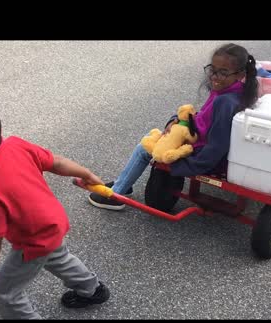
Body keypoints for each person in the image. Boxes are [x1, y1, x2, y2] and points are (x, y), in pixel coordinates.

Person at [0, 98, 110, 319]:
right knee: (57, 256)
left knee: (6, 291)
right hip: (52, 222)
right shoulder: (15, 145)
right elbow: (55, 162)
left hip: (33, 239)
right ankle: (93, 289)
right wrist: (85, 173)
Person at [89, 43, 259, 210]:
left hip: (202, 155)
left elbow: (217, 144)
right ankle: (123, 184)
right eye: (213, 70)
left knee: (144, 148)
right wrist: (176, 120)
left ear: (240, 74)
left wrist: (187, 166)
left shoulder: (225, 101)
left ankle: (117, 194)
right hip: (197, 143)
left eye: (223, 72)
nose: (215, 76)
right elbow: (202, 119)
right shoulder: (231, 91)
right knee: (152, 136)